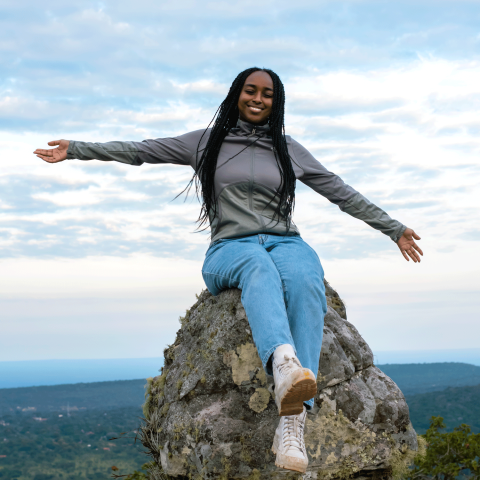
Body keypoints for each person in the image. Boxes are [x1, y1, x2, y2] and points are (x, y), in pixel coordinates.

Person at [34, 67, 423, 474]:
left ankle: (292, 424)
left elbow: (339, 190)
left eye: (267, 93)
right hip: (229, 248)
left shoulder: (289, 149)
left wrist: (393, 228)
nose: (258, 99)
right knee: (258, 267)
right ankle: (286, 365)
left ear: (277, 101)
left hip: (286, 241)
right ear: (237, 94)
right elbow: (141, 150)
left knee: (307, 280)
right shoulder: (206, 142)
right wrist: (77, 148)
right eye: (250, 91)